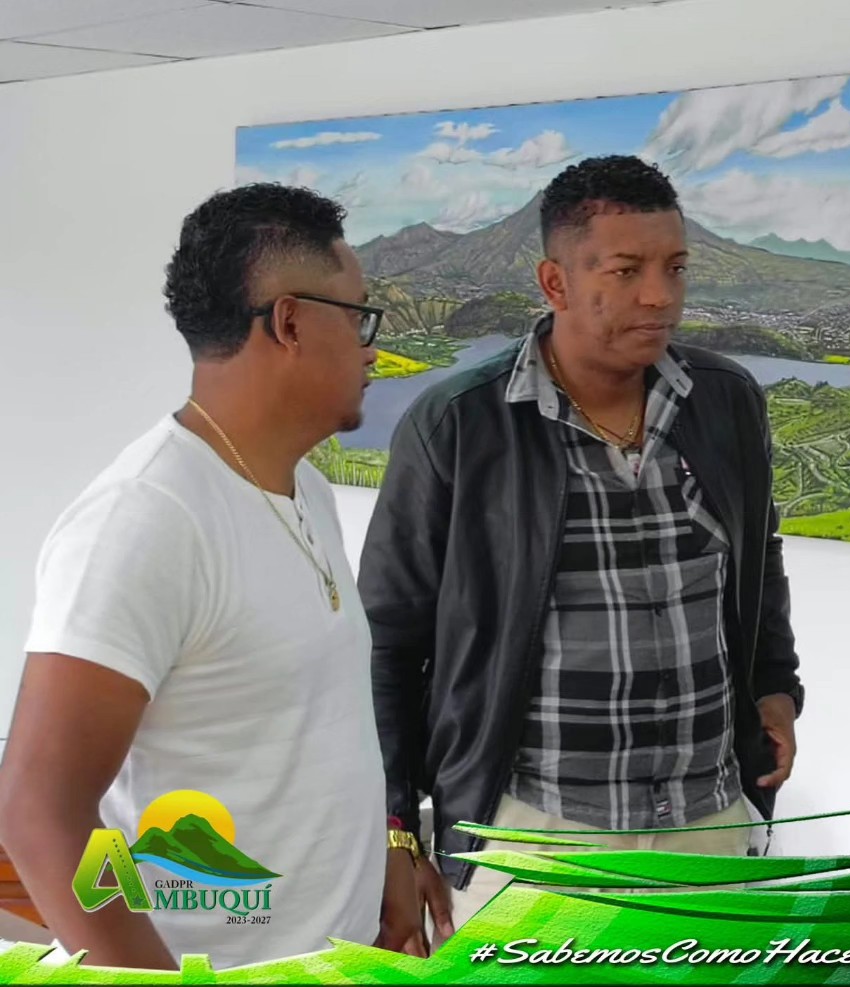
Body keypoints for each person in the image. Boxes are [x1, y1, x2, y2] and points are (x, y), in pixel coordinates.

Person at [360, 155, 805, 944]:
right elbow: (389, 641)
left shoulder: (726, 400)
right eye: (627, 270)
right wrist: (398, 830)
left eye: (675, 267)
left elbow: (756, 557)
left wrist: (775, 684)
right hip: (530, 838)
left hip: (707, 830)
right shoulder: (460, 424)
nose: (660, 295)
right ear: (555, 283)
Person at [0, 184, 425, 969]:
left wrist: (385, 851)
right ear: (290, 322)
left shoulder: (307, 490)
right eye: (359, 318)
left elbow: (312, 723)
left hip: (337, 954)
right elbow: (39, 811)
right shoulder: (146, 519)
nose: (371, 349)